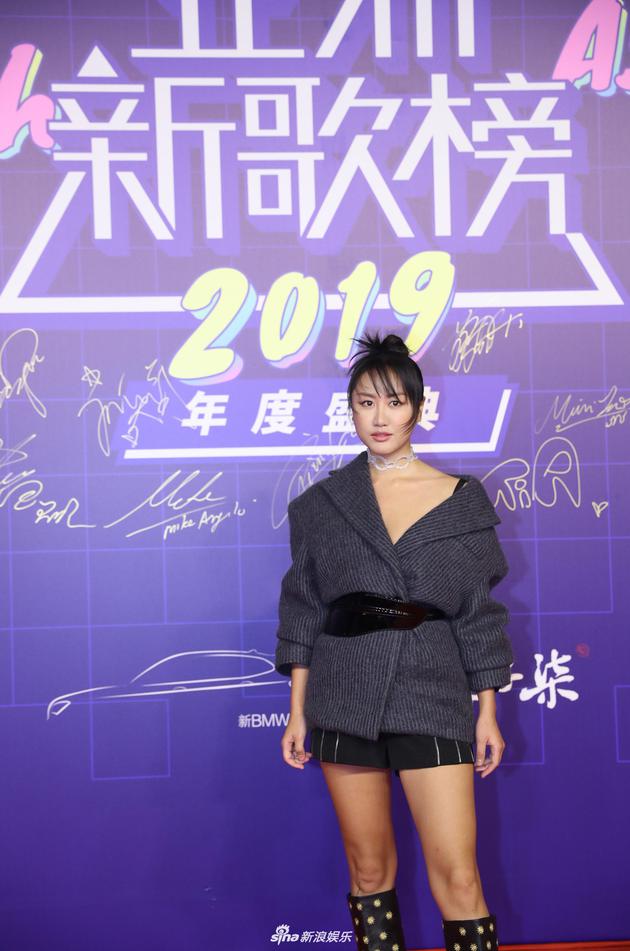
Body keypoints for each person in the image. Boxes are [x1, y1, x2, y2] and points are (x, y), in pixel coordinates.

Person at [275, 330, 514, 951]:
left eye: (394, 402)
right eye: (365, 403)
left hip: (431, 694)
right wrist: (298, 711)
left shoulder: (461, 501)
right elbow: (304, 609)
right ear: (350, 411)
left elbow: (478, 616)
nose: (379, 418)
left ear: (417, 408)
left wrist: (487, 711)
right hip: (343, 695)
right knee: (368, 870)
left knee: (459, 877)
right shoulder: (321, 506)